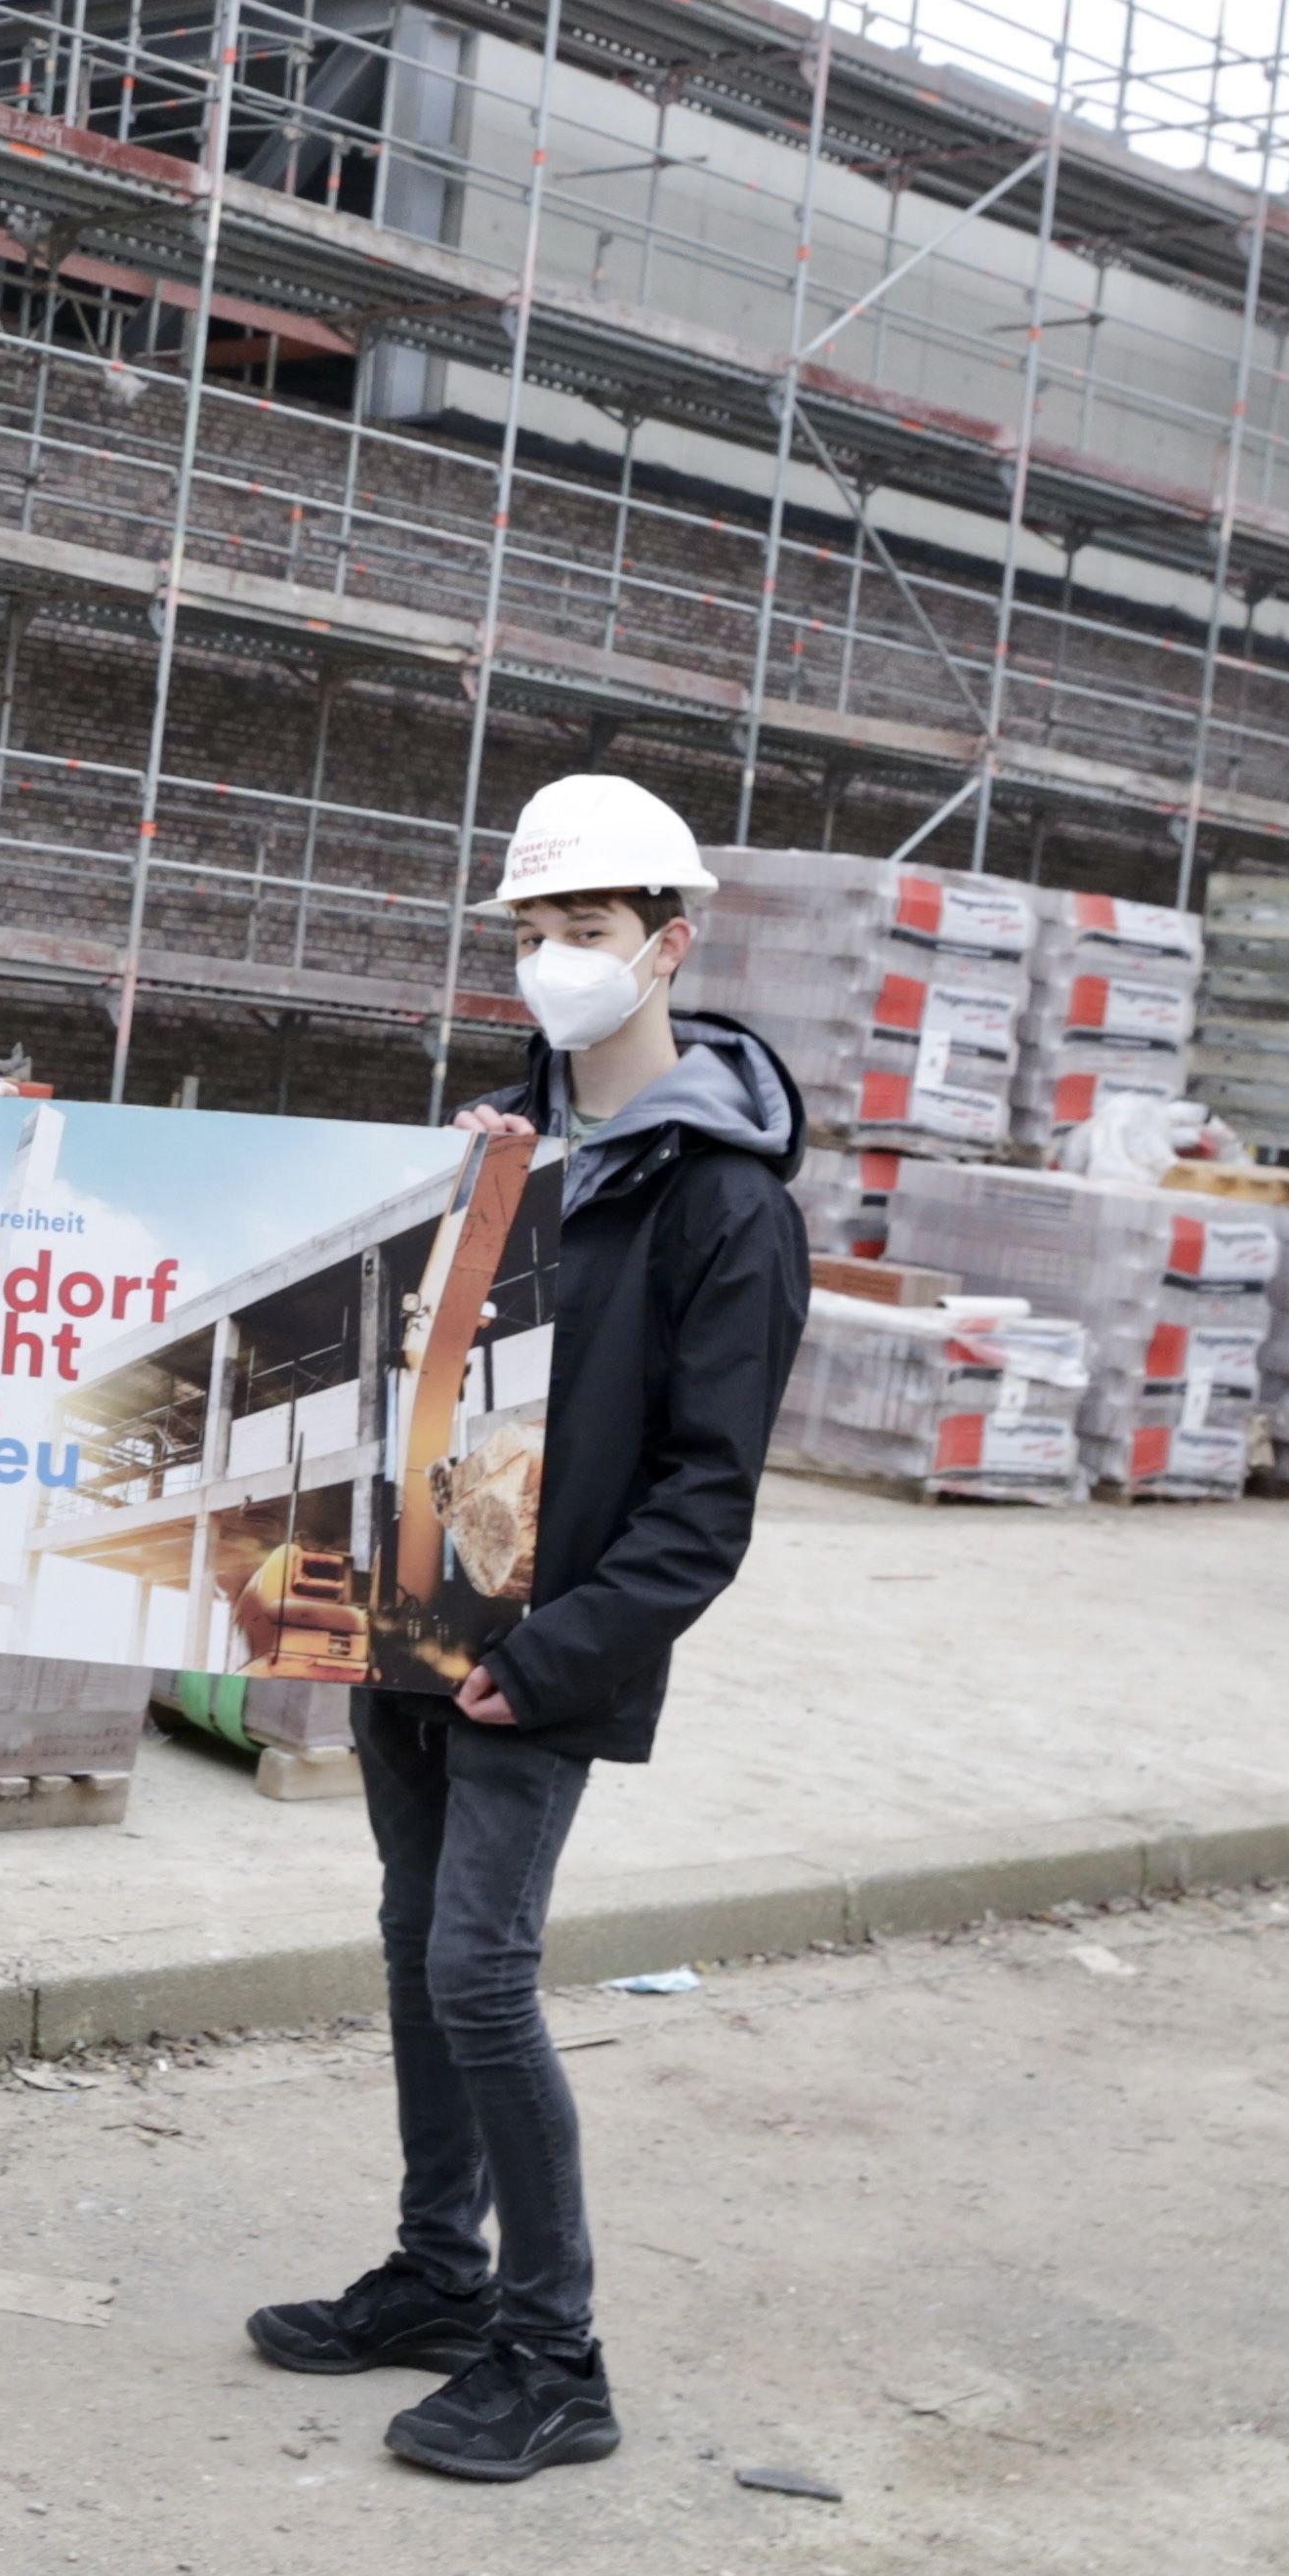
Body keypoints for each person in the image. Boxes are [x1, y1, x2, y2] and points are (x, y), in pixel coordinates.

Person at [246, 769, 808, 2481]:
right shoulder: (492, 1149)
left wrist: (548, 1654)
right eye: (537, 930)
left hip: (534, 1664)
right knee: (422, 1959)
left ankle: (553, 2355)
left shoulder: (725, 1203)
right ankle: (436, 2273)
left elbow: (703, 1505)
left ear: (668, 944)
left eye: (592, 929)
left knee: (481, 1980)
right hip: (411, 1627)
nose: (559, 958)